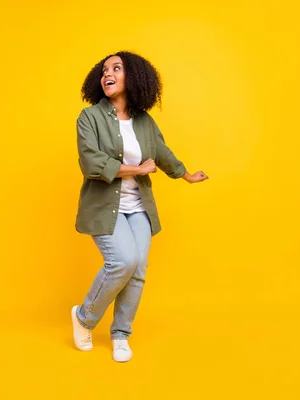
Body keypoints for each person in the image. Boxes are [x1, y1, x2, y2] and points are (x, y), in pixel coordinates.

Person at [71, 51, 209, 362]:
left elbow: (161, 152)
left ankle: (121, 334)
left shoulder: (144, 121)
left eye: (116, 68)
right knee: (122, 261)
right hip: (106, 206)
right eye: (104, 70)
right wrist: (137, 170)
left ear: (132, 77)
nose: (108, 73)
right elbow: (92, 164)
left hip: (139, 208)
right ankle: (84, 317)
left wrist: (186, 175)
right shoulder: (89, 118)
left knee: (137, 272)